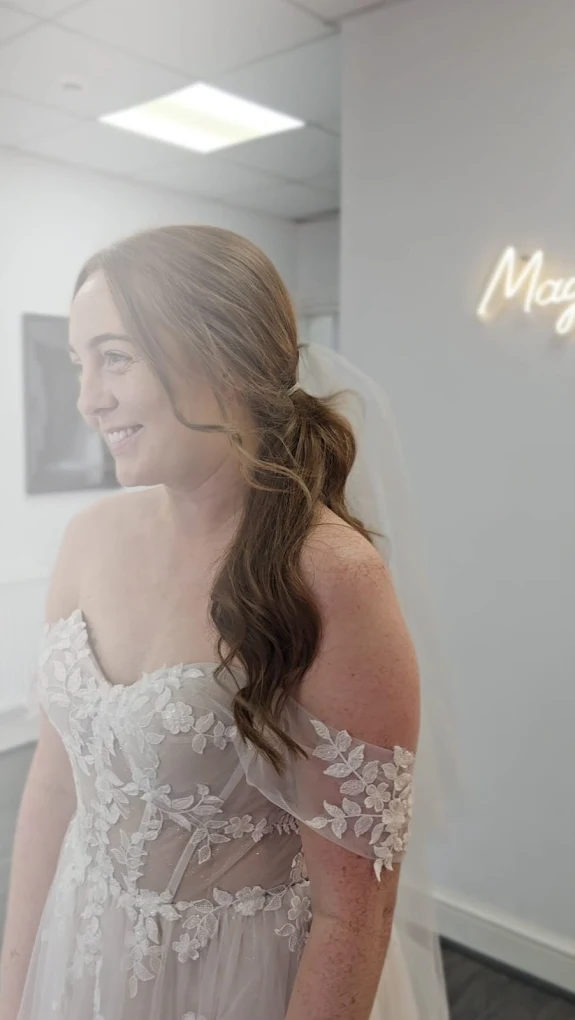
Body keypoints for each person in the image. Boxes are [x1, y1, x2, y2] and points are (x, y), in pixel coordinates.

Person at [0, 225, 449, 1020]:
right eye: (79, 364)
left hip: (234, 987)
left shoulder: (329, 577)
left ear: (225, 355)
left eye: (115, 357)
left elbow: (356, 909)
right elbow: (51, 781)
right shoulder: (88, 538)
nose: (87, 398)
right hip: (81, 949)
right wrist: (13, 985)